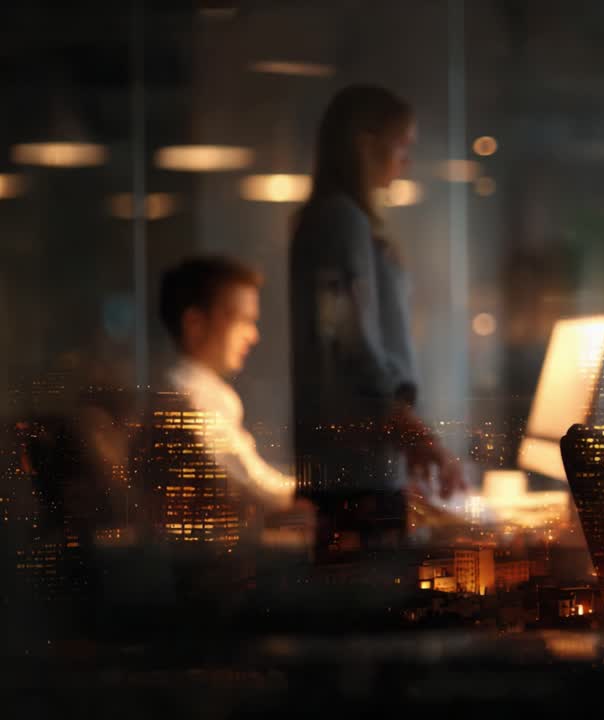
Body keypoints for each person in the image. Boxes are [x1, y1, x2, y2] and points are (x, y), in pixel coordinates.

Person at [290, 85, 462, 543]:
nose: (406, 161)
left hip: (357, 466)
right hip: (356, 473)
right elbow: (349, 337)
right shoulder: (340, 220)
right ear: (365, 144)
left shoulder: (337, 221)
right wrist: (412, 431)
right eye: (402, 145)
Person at [158, 256, 297, 511]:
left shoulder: (198, 391)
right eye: (243, 320)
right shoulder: (190, 398)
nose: (253, 336)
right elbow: (251, 483)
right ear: (195, 323)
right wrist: (318, 494)